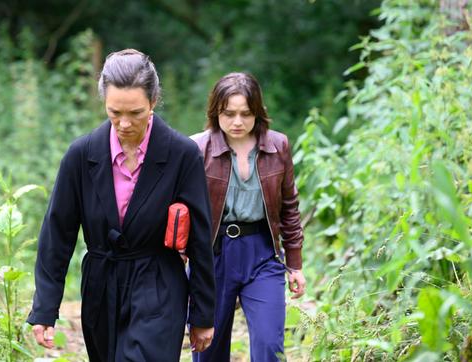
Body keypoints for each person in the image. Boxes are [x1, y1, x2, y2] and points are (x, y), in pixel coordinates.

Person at [27, 49, 215, 361]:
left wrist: (203, 313)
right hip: (102, 283)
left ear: (153, 102)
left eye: (135, 113)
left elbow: (200, 239)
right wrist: (45, 307)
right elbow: (57, 234)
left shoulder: (183, 155)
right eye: (115, 113)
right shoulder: (80, 156)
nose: (124, 124)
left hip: (159, 283)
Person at [191, 72, 306, 361]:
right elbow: (181, 212)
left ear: (258, 112)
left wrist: (295, 263)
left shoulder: (278, 146)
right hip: (213, 256)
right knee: (208, 350)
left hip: (262, 254)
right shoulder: (196, 149)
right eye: (228, 114)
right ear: (216, 111)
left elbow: (289, 207)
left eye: (246, 113)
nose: (237, 122)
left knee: (270, 346)